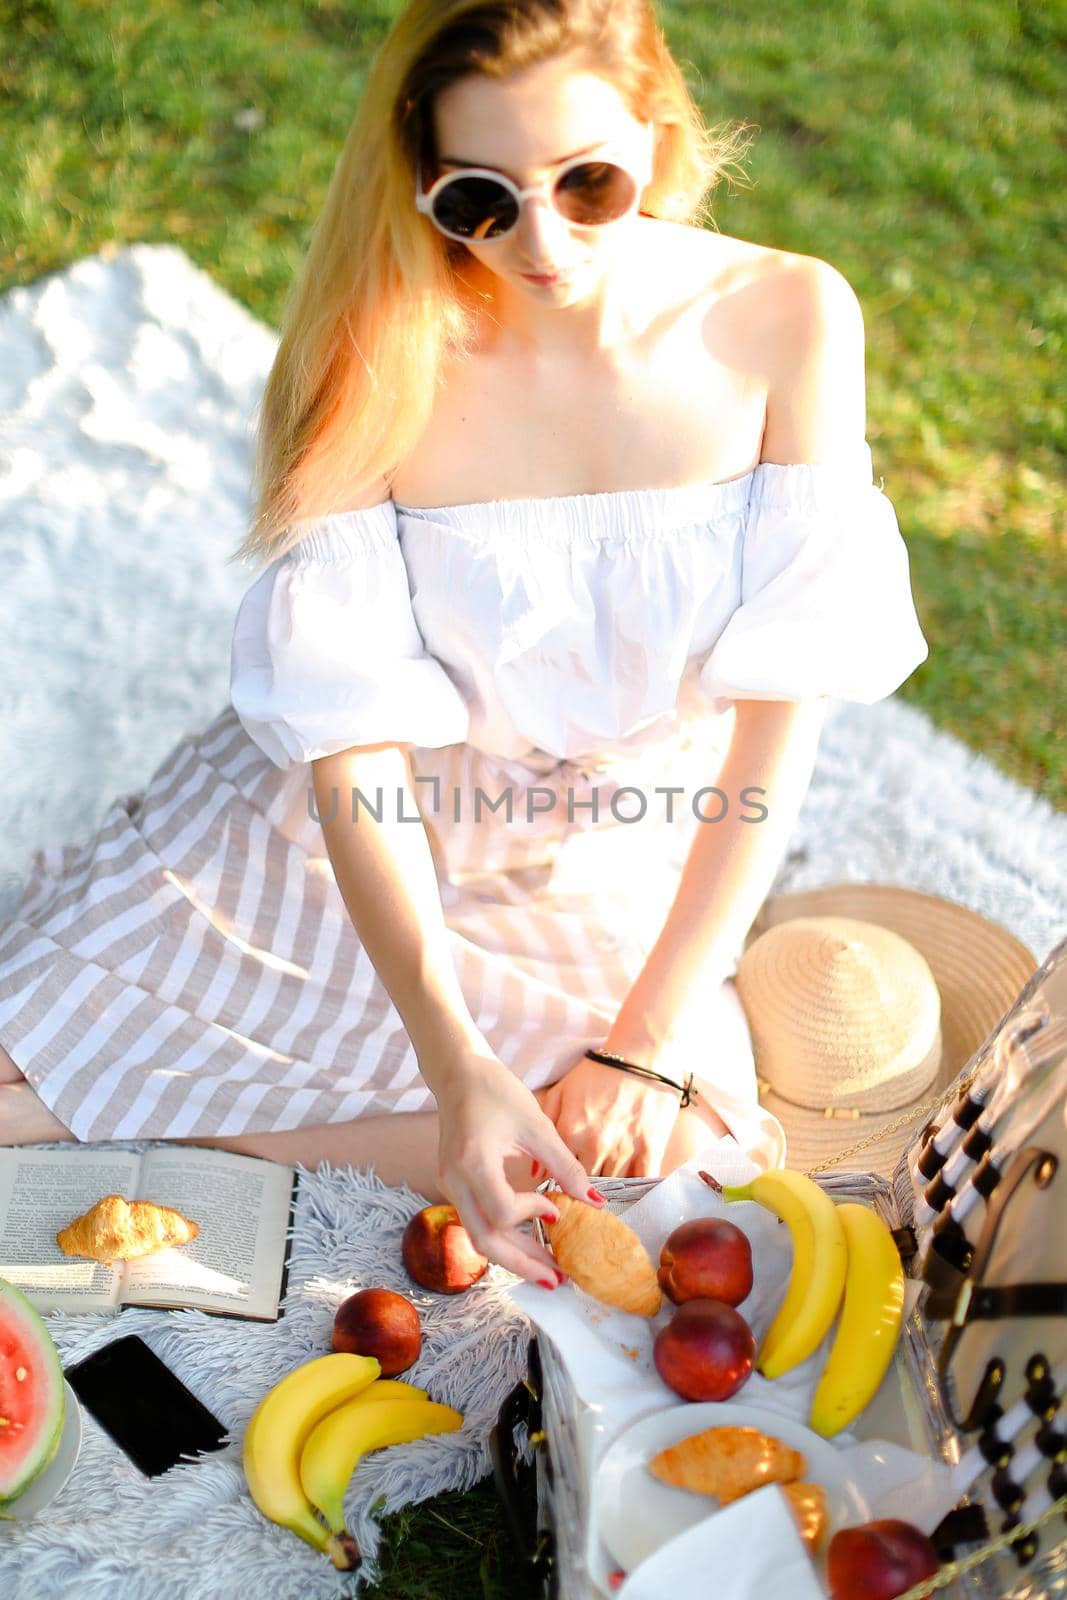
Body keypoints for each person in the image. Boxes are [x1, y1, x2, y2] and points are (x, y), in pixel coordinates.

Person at [0, 0, 929, 1288]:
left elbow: (778, 721)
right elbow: (352, 757)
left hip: (615, 852)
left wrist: (647, 1038)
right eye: (481, 201)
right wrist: (453, 1059)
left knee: (670, 1147)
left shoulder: (787, 319)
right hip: (356, 837)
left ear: (656, 136)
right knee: (20, 1071)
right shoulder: (376, 352)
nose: (541, 243)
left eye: (588, 183)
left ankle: (295, 1118)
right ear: (420, 186)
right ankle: (384, 1117)